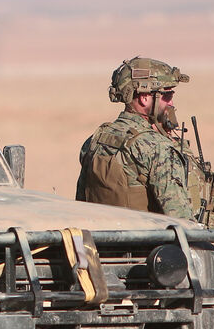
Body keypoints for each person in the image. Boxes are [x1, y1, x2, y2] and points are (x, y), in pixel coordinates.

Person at [76, 57, 193, 219]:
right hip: (146, 243)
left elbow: (81, 203)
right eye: (167, 95)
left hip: (100, 242)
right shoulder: (157, 148)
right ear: (144, 97)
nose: (171, 102)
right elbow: (183, 221)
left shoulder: (95, 140)